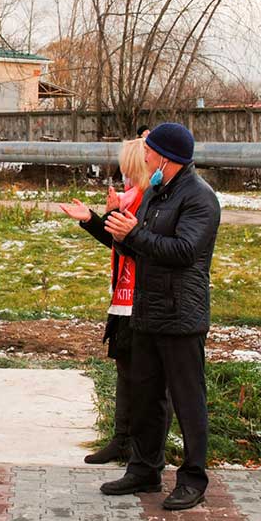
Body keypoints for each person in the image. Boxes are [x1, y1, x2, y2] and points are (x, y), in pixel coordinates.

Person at [99, 122, 220, 511]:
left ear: (165, 157)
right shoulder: (156, 193)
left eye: (149, 150)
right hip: (147, 312)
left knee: (188, 400)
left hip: (181, 315)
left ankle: (193, 478)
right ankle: (144, 469)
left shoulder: (199, 198)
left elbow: (184, 251)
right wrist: (100, 224)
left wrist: (133, 234)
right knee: (146, 396)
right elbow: (140, 248)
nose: (144, 155)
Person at [60, 138, 150, 464]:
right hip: (123, 300)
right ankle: (122, 440)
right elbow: (117, 245)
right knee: (125, 373)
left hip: (142, 301)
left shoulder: (148, 201)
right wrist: (92, 219)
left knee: (143, 378)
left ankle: (142, 450)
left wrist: (114, 219)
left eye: (127, 165)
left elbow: (140, 247)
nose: (122, 172)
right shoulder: (131, 198)